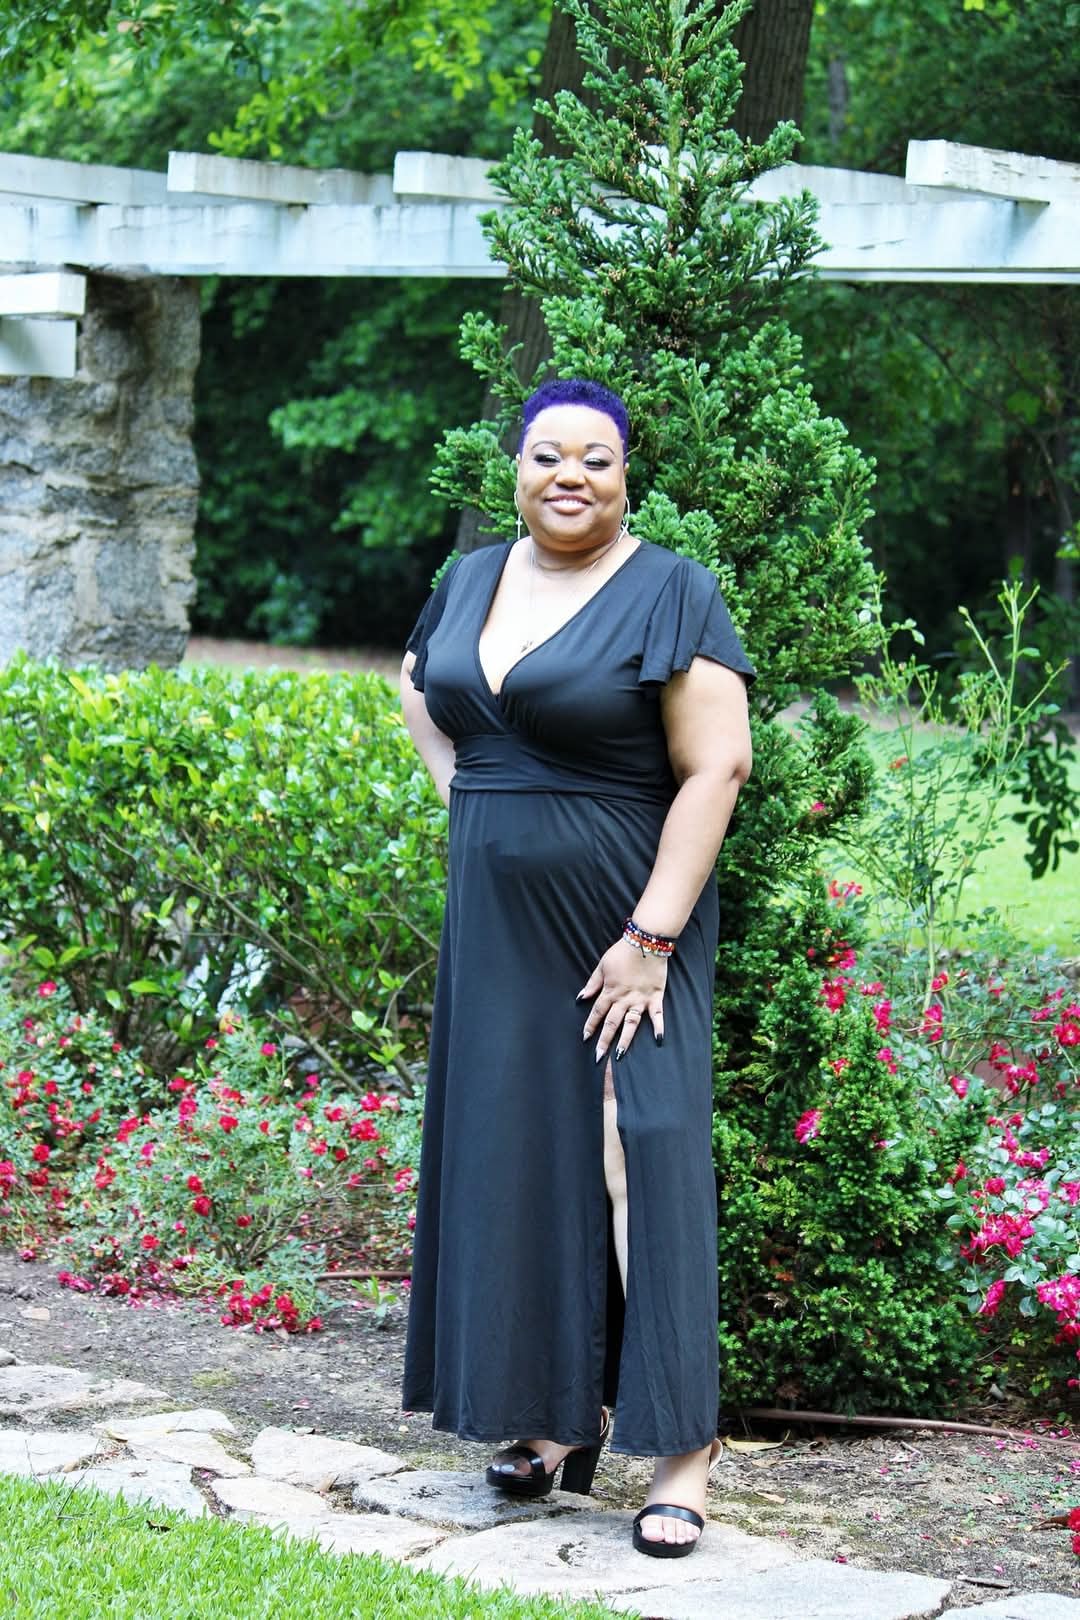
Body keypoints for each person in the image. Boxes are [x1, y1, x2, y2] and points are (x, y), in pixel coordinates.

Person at [399, 377, 754, 1558]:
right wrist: (472, 800)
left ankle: (685, 1451)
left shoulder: (673, 589)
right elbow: (420, 682)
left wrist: (651, 940)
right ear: (516, 467)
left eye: (596, 459)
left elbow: (718, 768)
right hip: (500, 929)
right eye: (547, 453)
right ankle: (553, 1421)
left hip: (627, 924)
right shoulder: (470, 578)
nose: (569, 475)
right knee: (523, 1150)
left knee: (630, 1150)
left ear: (626, 476)